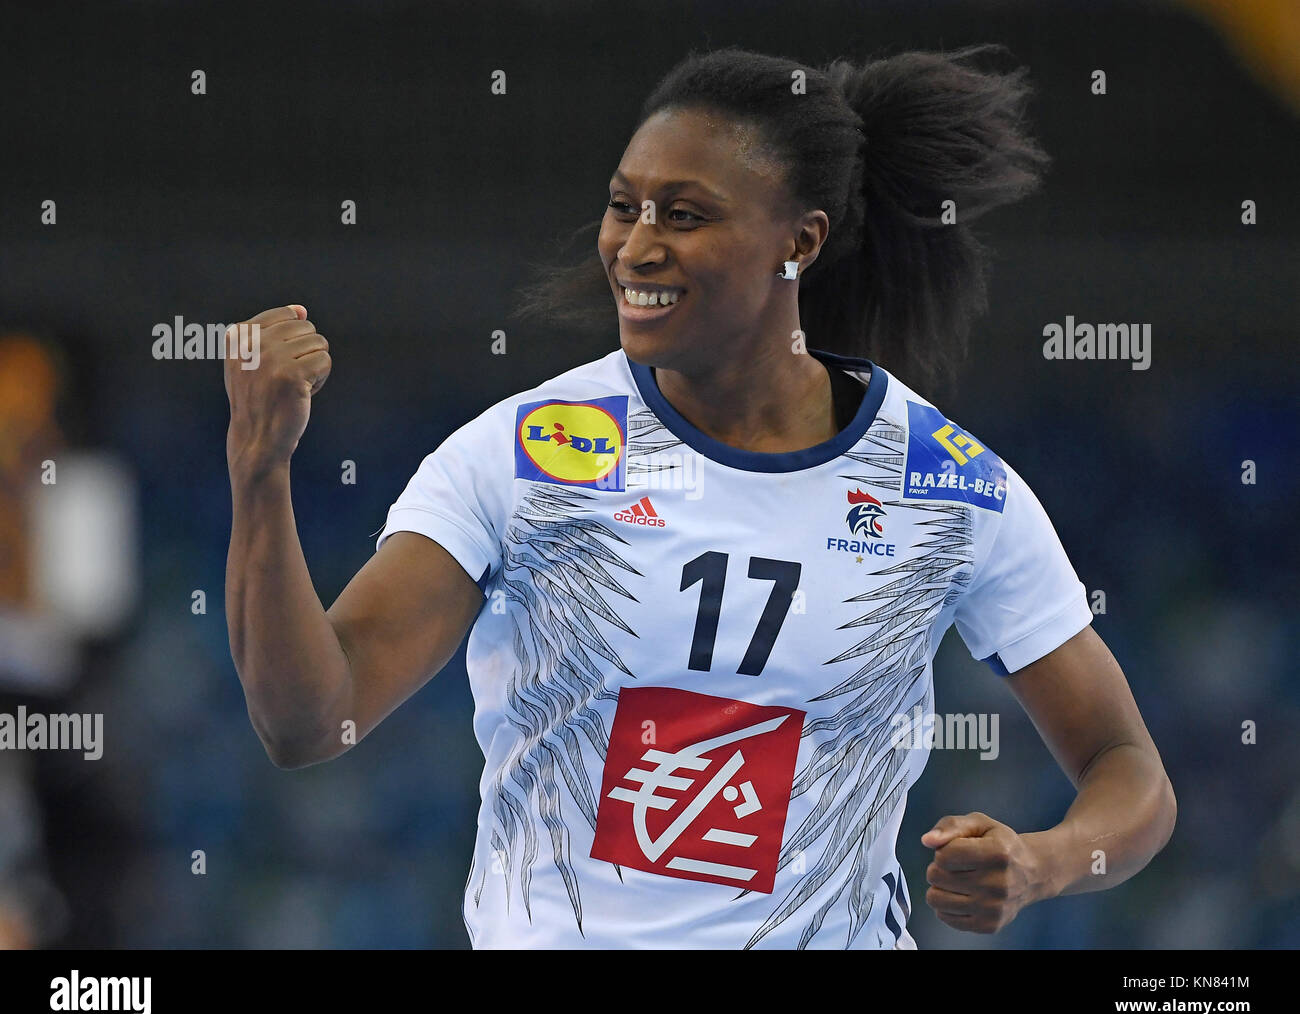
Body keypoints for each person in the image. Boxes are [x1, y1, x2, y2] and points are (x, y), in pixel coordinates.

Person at [224, 45, 1176, 949]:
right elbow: (311, 720)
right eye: (622, 207)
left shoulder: (944, 482)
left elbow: (1130, 774)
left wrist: (1042, 863)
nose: (634, 247)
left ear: (797, 244)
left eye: (682, 215)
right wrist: (260, 472)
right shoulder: (524, 453)